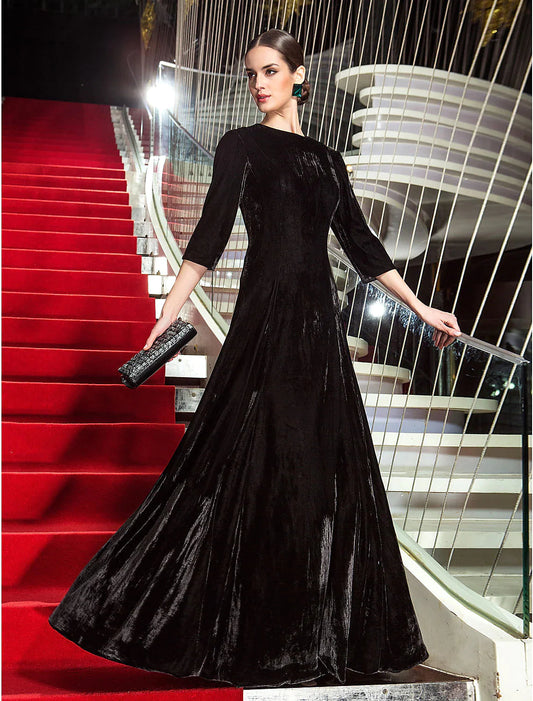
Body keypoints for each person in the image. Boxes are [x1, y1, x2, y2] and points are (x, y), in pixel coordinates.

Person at [48, 28, 462, 689]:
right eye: (251, 74)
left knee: (315, 476)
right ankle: (208, 625)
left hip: (319, 335)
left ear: (298, 77)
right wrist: (168, 313)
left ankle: (306, 635)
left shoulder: (327, 161)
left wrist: (420, 308)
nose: (258, 83)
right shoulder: (240, 146)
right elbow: (208, 237)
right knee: (242, 462)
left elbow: (362, 245)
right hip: (264, 320)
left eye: (271, 71)